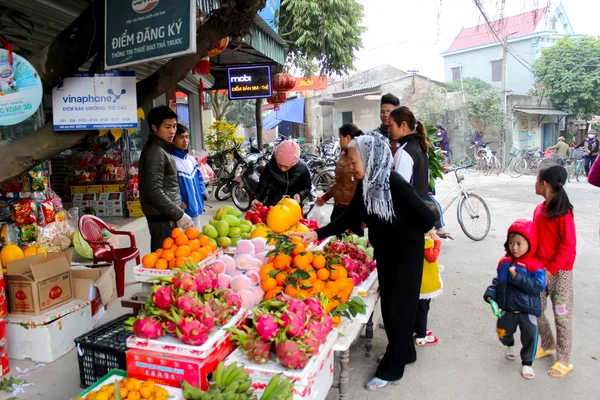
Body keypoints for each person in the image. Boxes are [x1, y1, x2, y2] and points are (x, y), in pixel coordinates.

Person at [292, 135, 437, 391]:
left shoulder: (394, 182)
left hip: (405, 253)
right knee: (393, 306)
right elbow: (350, 216)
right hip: (387, 252)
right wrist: (317, 234)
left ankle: (393, 369)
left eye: (355, 159)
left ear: (371, 158)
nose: (352, 165)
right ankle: (405, 353)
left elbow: (426, 218)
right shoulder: (367, 183)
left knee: (398, 310)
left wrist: (399, 225)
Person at [484, 219, 546, 380]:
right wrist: (491, 293)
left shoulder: (535, 265)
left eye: (519, 243)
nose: (514, 247)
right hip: (508, 308)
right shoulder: (504, 262)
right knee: (502, 331)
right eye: (511, 242)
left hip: (528, 310)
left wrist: (518, 277)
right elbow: (498, 281)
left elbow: (538, 286)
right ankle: (509, 344)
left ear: (530, 243)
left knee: (530, 336)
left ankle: (527, 363)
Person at [533, 166, 576, 378]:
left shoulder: (564, 213)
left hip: (560, 273)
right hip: (539, 270)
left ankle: (564, 360)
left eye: (537, 179)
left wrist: (550, 270)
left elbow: (568, 246)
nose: (535, 183)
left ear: (545, 184)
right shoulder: (539, 210)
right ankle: (548, 344)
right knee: (536, 310)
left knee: (562, 317)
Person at [139, 106, 193, 252]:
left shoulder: (162, 148)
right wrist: (179, 214)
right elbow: (154, 191)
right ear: (154, 127)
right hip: (161, 218)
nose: (172, 131)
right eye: (167, 126)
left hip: (166, 215)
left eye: (174, 126)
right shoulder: (155, 152)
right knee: (164, 260)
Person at [316, 124, 363, 236]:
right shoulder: (342, 154)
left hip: (352, 210)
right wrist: (325, 197)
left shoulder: (359, 157)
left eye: (340, 138)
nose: (339, 141)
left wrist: (363, 217)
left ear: (347, 137)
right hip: (338, 207)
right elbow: (339, 183)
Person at [251, 140, 311, 209]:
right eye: (279, 165)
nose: (282, 169)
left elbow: (307, 187)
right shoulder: (271, 166)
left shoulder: (302, 168)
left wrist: (300, 194)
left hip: (293, 206)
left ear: (294, 163)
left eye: (286, 166)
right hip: (273, 205)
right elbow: (263, 185)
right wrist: (257, 198)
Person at [388, 106, 430, 199]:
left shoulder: (404, 152)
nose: (389, 130)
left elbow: (400, 191)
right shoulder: (420, 146)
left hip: (411, 210)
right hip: (422, 207)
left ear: (403, 125)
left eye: (391, 126)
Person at [172, 124, 206, 228]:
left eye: (186, 137)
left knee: (196, 238)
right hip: (182, 212)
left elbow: (200, 178)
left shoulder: (191, 159)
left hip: (196, 208)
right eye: (181, 137)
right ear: (173, 140)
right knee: (183, 241)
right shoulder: (171, 161)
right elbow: (171, 187)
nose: (185, 140)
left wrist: (202, 193)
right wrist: (180, 203)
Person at [415, 230, 443, 346]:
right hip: (425, 284)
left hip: (419, 281)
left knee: (419, 308)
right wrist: (437, 242)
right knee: (423, 309)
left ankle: (418, 329)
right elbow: (432, 257)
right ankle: (421, 336)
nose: (435, 230)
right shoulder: (425, 241)